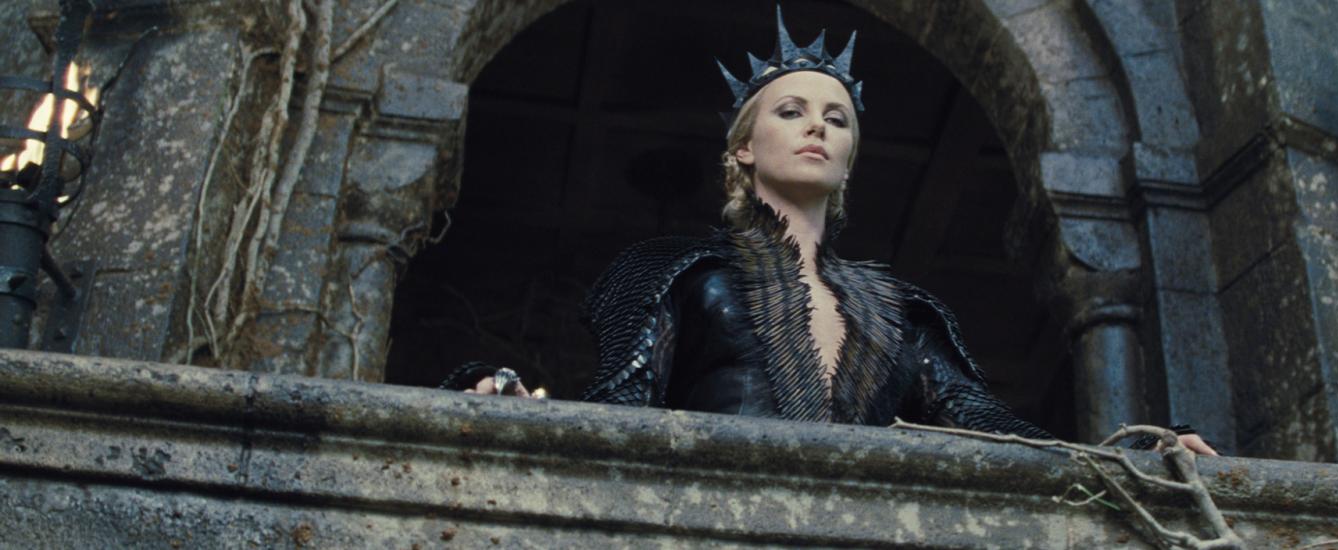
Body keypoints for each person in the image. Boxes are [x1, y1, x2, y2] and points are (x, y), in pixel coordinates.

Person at [444, 5, 1216, 455]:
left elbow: (992, 433)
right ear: (744, 150)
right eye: (792, 111)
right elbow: (621, 403)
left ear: (849, 159)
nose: (817, 127)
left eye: (836, 119)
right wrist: (510, 397)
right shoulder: (679, 273)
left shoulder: (906, 314)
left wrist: (1133, 449)